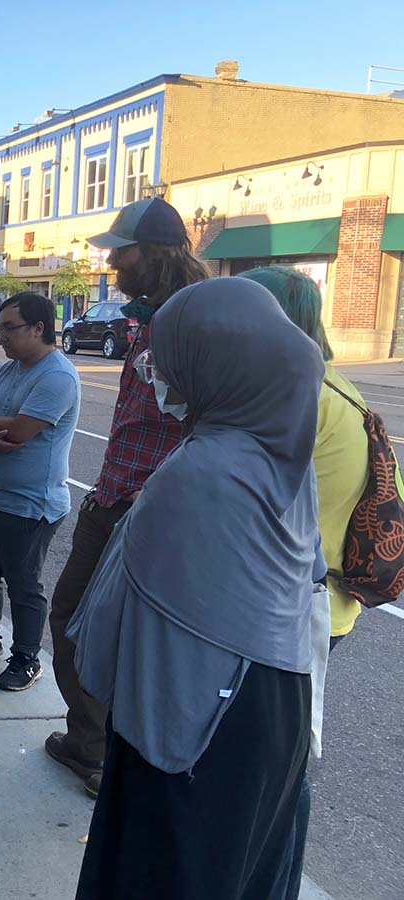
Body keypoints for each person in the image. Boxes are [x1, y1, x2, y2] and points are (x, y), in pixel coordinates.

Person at [68, 277, 323, 900]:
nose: (157, 370)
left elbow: (108, 621)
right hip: (270, 701)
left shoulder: (200, 470)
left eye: (169, 353)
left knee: (173, 866)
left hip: (194, 719)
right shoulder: (282, 453)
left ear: (214, 361)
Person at [45, 197, 211, 797]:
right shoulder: (150, 316)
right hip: (112, 495)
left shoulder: (194, 318)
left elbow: (211, 418)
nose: (112, 260)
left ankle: (117, 756)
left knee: (129, 634)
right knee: (74, 619)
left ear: (155, 253)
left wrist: (155, 496)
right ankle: (91, 743)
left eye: (123, 249)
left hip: (151, 505)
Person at [241, 264, 371, 897]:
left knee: (273, 772)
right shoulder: (338, 387)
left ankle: (271, 887)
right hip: (325, 601)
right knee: (283, 761)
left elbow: (247, 500)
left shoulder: (298, 395)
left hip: (291, 607)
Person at [0, 292, 81, 690]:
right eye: (1, 328)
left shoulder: (57, 376)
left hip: (31, 505)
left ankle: (26, 657)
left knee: (24, 586)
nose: (2, 335)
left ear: (39, 328)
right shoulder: (7, 371)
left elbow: (22, 431)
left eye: (10, 328)